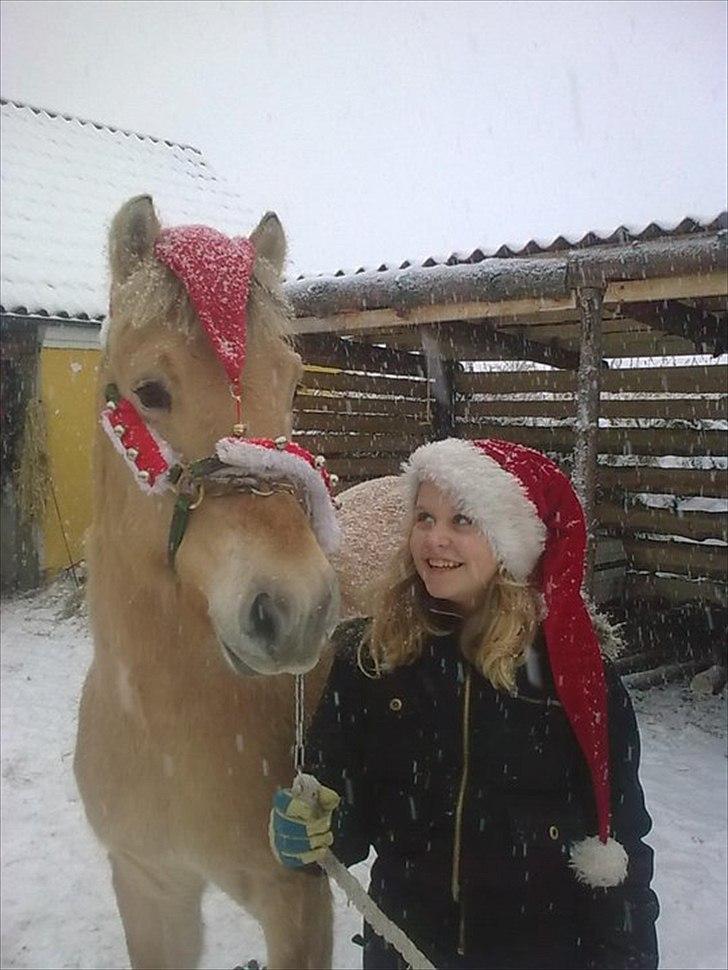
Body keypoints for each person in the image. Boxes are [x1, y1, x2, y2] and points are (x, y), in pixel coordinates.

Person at [270, 438, 660, 970]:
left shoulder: (574, 678)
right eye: (424, 517)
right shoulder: (374, 657)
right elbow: (347, 817)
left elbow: (620, 841)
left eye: (463, 520)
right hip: (404, 951)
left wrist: (627, 960)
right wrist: (314, 831)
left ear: (510, 542)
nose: (435, 538)